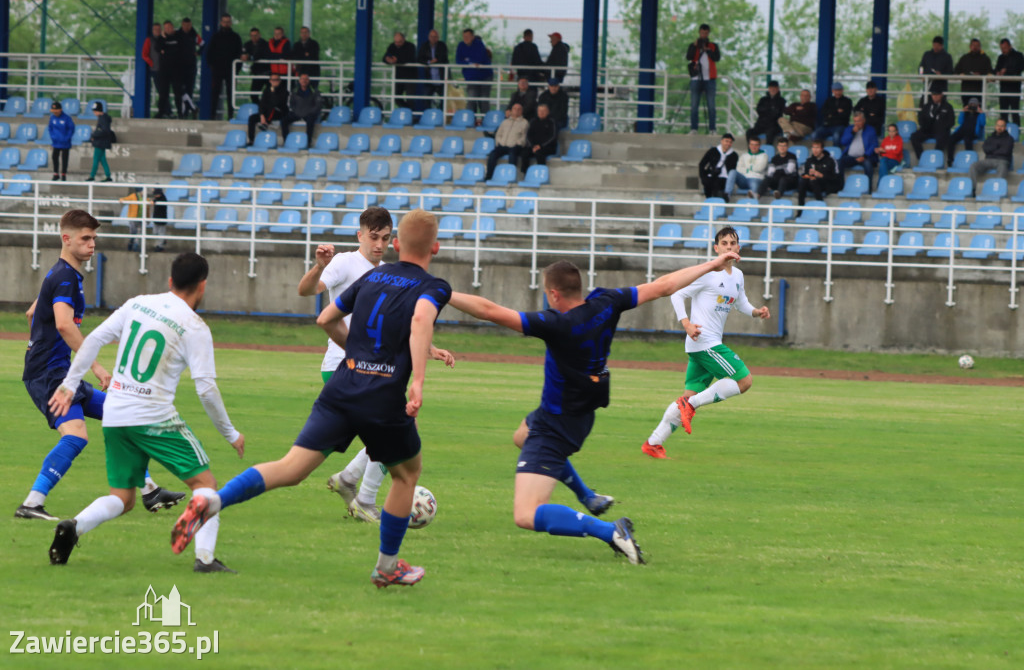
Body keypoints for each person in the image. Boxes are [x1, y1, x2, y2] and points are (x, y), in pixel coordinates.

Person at [170, 209, 452, 589]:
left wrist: (357, 354)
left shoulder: (371, 277)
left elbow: (325, 319)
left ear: (396, 243)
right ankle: (387, 567)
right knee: (406, 474)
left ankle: (212, 502)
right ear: (435, 246)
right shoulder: (433, 285)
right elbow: (420, 321)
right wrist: (417, 379)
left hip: (342, 384)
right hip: (382, 396)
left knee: (290, 468)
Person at [447, 251, 742, 564]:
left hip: (557, 421)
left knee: (525, 513)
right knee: (521, 436)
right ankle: (587, 495)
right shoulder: (606, 302)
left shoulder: (556, 324)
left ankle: (610, 531)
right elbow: (664, 286)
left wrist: (444, 292)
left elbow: (489, 311)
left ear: (553, 293)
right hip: (581, 413)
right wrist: (711, 264)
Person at [47, 252, 245, 572]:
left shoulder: (138, 303)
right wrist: (230, 433)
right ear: (202, 286)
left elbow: (95, 338)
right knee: (206, 485)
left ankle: (74, 526)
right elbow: (206, 390)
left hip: (114, 414)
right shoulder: (194, 326)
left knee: (123, 498)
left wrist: (70, 384)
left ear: (170, 281)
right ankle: (205, 559)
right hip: (153, 416)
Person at [17, 210, 181, 520]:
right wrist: (96, 367)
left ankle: (149, 491)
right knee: (76, 436)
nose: (92, 244)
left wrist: (38, 342)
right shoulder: (64, 277)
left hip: (56, 370)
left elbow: (32, 313)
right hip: (52, 375)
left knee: (125, 415)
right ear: (66, 239)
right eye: (86, 238)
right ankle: (31, 504)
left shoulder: (62, 274)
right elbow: (65, 325)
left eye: (94, 238)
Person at [297, 208, 454, 523]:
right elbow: (306, 291)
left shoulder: (385, 271)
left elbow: (393, 325)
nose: (379, 245)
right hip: (345, 363)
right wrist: (318, 266)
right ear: (360, 236)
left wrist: (429, 347)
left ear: (394, 240)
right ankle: (363, 498)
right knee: (397, 434)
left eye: (385, 238)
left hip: (373, 367)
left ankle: (350, 481)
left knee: (392, 434)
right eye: (373, 237)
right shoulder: (344, 262)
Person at [641, 227, 769, 459]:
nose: (729, 247)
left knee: (688, 395)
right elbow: (676, 294)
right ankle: (690, 406)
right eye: (724, 243)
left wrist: (757, 312)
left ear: (738, 248)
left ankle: (654, 442)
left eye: (733, 243)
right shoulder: (708, 273)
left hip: (703, 345)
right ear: (716, 248)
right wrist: (687, 324)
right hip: (704, 342)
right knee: (744, 380)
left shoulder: (737, 276)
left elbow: (741, 303)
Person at [207, 14, 242, 120]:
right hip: (217, 70)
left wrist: (237, 69)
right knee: (215, 93)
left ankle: (230, 115)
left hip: (231, 70)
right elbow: (209, 53)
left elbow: (239, 54)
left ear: (231, 23)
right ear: (221, 22)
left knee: (231, 93)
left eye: (228, 21)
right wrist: (212, 66)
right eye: (224, 21)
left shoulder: (236, 37)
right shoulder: (216, 37)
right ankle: (212, 115)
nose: (226, 23)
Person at [686, 24, 721, 134]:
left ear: (708, 33)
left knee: (711, 106)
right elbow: (689, 57)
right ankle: (694, 128)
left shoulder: (713, 45)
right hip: (696, 78)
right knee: (694, 105)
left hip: (710, 79)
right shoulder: (693, 45)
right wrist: (694, 46)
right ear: (699, 33)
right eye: (702, 33)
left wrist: (708, 50)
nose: (704, 35)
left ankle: (712, 129)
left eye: (706, 33)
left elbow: (717, 58)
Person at [485, 103, 529, 181]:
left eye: (519, 109)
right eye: (515, 109)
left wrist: (518, 144)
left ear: (522, 111)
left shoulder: (525, 122)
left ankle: (510, 176)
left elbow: (524, 137)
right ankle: (489, 176)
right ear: (511, 111)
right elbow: (498, 134)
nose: (516, 111)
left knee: (512, 155)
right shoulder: (505, 122)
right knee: (492, 154)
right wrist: (499, 142)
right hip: (502, 145)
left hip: (515, 146)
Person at [969, 118, 1015, 191]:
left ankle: (995, 190)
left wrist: (992, 150)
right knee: (973, 166)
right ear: (995, 126)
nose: (999, 127)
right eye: (998, 125)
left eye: (1002, 126)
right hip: (988, 160)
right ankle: (973, 189)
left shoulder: (1009, 139)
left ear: (1005, 127)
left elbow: (1005, 151)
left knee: (1002, 168)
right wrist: (997, 147)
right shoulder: (990, 137)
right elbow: (985, 148)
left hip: (1002, 161)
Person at [910, 87, 955, 159]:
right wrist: (924, 126)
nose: (935, 97)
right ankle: (922, 158)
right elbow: (921, 118)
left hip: (941, 131)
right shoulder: (927, 106)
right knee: (914, 137)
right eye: (933, 95)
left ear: (941, 95)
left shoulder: (948, 107)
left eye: (937, 95)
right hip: (928, 130)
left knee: (942, 139)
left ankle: (935, 159)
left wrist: (942, 127)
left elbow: (951, 122)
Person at [457, 28, 493, 115]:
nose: (466, 38)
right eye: (464, 36)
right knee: (471, 99)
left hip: (485, 76)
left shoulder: (479, 44)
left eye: (468, 36)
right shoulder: (461, 45)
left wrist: (467, 61)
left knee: (484, 100)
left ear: (473, 37)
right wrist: (471, 63)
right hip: (471, 78)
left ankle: (485, 121)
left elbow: (479, 59)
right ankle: (470, 120)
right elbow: (458, 61)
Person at [247, 73, 289, 145]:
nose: (274, 81)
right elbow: (262, 104)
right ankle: (251, 140)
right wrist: (261, 115)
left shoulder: (284, 91)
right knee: (252, 118)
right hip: (267, 113)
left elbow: (277, 103)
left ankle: (265, 123)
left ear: (279, 81)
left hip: (279, 112)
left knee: (273, 108)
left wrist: (273, 92)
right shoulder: (266, 91)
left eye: (276, 80)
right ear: (270, 81)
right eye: (273, 80)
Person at [797, 139, 842, 205]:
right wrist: (809, 176)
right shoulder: (809, 160)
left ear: (822, 149)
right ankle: (800, 208)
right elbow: (804, 174)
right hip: (812, 184)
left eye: (817, 148)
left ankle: (821, 204)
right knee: (803, 180)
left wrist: (821, 175)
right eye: (813, 147)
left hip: (827, 185)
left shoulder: (830, 160)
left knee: (813, 181)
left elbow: (836, 177)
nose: (815, 150)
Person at [282, 73, 322, 147]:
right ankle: (286, 141)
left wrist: (309, 112)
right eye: (302, 79)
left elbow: (318, 105)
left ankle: (307, 142)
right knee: (284, 120)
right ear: (299, 81)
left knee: (310, 122)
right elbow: (291, 104)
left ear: (309, 81)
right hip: (297, 113)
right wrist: (297, 112)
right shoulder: (294, 91)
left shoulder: (315, 92)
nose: (304, 81)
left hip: (309, 114)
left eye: (306, 79)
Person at [838, 111, 879, 182]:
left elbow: (874, 145)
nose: (856, 123)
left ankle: (868, 189)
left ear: (864, 120)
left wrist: (865, 156)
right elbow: (843, 142)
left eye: (859, 121)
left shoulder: (871, 130)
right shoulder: (849, 129)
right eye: (855, 121)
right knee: (839, 162)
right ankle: (840, 186)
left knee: (868, 165)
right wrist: (852, 133)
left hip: (865, 157)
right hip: (850, 157)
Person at [520, 103, 558, 174]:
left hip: (548, 147)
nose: (541, 113)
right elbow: (528, 135)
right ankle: (525, 174)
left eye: (544, 111)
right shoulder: (533, 121)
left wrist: (540, 146)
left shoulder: (552, 122)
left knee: (539, 153)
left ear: (548, 112)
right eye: (540, 111)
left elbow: (553, 137)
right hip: (534, 146)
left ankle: (541, 173)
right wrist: (533, 146)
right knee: (524, 153)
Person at [954, 38, 993, 107]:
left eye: (977, 45)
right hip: (966, 90)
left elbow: (990, 72)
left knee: (978, 110)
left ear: (980, 47)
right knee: (966, 109)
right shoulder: (964, 58)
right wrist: (963, 75)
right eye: (973, 45)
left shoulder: (985, 59)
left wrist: (980, 75)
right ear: (970, 46)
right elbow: (956, 71)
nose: (975, 47)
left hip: (979, 91)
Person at [947, 98, 986, 166]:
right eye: (971, 104)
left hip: (973, 133)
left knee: (967, 139)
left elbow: (983, 123)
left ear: (977, 105)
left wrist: (981, 113)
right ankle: (950, 159)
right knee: (951, 139)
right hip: (962, 131)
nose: (972, 105)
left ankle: (969, 159)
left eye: (974, 104)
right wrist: (962, 112)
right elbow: (960, 122)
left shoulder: (979, 114)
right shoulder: (965, 113)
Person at [383, 32, 418, 108]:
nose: (397, 44)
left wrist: (396, 60)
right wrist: (388, 59)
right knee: (396, 97)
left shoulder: (410, 46)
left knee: (410, 99)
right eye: (396, 42)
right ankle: (407, 111)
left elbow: (410, 58)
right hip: (398, 76)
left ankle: (410, 116)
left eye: (399, 42)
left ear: (403, 40)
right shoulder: (392, 46)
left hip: (410, 77)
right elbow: (385, 57)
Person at [697, 133, 737, 199]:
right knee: (708, 183)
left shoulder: (734, 155)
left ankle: (717, 203)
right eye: (726, 141)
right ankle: (710, 202)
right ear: (722, 141)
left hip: (725, 178)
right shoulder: (713, 151)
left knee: (717, 184)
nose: (728, 144)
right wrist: (702, 177)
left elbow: (733, 169)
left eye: (730, 142)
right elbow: (702, 164)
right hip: (712, 174)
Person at [176, 17, 203, 118]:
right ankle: (192, 108)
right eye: (185, 25)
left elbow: (203, 44)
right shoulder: (177, 35)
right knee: (180, 89)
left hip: (191, 67)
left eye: (189, 25)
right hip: (179, 67)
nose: (187, 27)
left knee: (189, 90)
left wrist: (198, 52)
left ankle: (186, 113)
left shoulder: (194, 35)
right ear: (182, 24)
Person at [994, 38, 1024, 124]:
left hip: (1014, 88)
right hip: (1003, 88)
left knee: (1015, 112)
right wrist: (998, 72)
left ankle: (1016, 134)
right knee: (1003, 112)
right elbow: (996, 69)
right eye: (1002, 48)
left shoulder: (1018, 55)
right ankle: (1004, 134)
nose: (1003, 50)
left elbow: (1020, 68)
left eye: (1005, 48)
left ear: (1010, 46)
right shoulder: (1000, 57)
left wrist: (1006, 71)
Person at [416, 29, 448, 104]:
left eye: (435, 36)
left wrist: (436, 61)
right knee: (426, 98)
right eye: (431, 36)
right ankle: (428, 114)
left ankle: (442, 115)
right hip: (429, 78)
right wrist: (429, 62)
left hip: (441, 78)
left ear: (438, 37)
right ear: (428, 37)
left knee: (444, 100)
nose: (433, 38)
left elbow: (444, 58)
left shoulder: (442, 45)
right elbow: (419, 58)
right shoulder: (424, 45)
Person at [155, 21, 179, 119]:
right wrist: (163, 38)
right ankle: (161, 112)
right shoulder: (161, 39)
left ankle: (181, 113)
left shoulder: (178, 37)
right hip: (164, 70)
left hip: (177, 70)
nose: (168, 29)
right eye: (166, 28)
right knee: (163, 92)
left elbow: (178, 50)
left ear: (173, 27)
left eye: (170, 27)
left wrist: (167, 50)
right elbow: (158, 48)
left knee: (178, 92)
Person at [241, 28, 271, 104]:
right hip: (256, 73)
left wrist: (250, 57)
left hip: (267, 72)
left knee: (269, 95)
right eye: (252, 35)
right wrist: (244, 56)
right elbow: (243, 53)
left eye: (256, 35)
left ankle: (266, 111)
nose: (254, 37)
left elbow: (260, 54)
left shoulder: (265, 44)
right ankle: (259, 110)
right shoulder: (247, 44)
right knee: (253, 95)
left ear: (259, 35)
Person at [85, 102, 113, 182]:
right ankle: (108, 176)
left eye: (95, 111)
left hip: (100, 143)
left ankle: (92, 176)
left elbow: (104, 131)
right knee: (102, 159)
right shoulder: (103, 118)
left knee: (96, 159)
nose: (94, 113)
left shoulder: (103, 118)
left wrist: (94, 135)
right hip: (102, 142)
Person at [48, 101, 74, 182]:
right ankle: (56, 173)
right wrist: (53, 137)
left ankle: (63, 174)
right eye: (53, 111)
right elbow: (50, 128)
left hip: (65, 142)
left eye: (56, 111)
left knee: (64, 158)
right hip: (56, 142)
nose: (55, 113)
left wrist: (67, 138)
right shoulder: (52, 118)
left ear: (60, 110)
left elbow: (71, 129)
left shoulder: (67, 118)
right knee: (54, 157)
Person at [141, 23, 162, 110]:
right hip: (155, 69)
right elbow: (144, 54)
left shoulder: (164, 38)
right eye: (155, 29)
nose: (157, 31)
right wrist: (152, 63)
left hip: (166, 69)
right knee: (161, 90)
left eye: (158, 29)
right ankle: (165, 110)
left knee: (164, 91)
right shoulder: (149, 40)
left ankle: (165, 110)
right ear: (152, 30)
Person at [151, 186, 168, 252]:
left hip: (162, 220)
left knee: (161, 233)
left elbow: (160, 200)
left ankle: (159, 246)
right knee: (155, 233)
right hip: (156, 219)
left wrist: (154, 201)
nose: (155, 195)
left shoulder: (163, 198)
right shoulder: (157, 198)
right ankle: (162, 241)